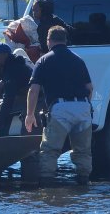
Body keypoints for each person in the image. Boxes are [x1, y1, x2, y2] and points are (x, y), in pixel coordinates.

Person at [25, 26, 93, 186]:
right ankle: (83, 183)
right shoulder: (78, 60)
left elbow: (33, 90)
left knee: (50, 150)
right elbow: (90, 88)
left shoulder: (43, 60)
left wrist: (30, 114)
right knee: (83, 151)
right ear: (65, 40)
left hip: (60, 108)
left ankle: (47, 187)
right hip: (83, 107)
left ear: (49, 41)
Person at [0, 42, 36, 138]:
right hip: (27, 97)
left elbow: (8, 100)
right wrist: (2, 103)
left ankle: (31, 146)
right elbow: (13, 93)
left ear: (4, 55)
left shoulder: (13, 70)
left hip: (37, 100)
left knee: (27, 124)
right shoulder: (12, 66)